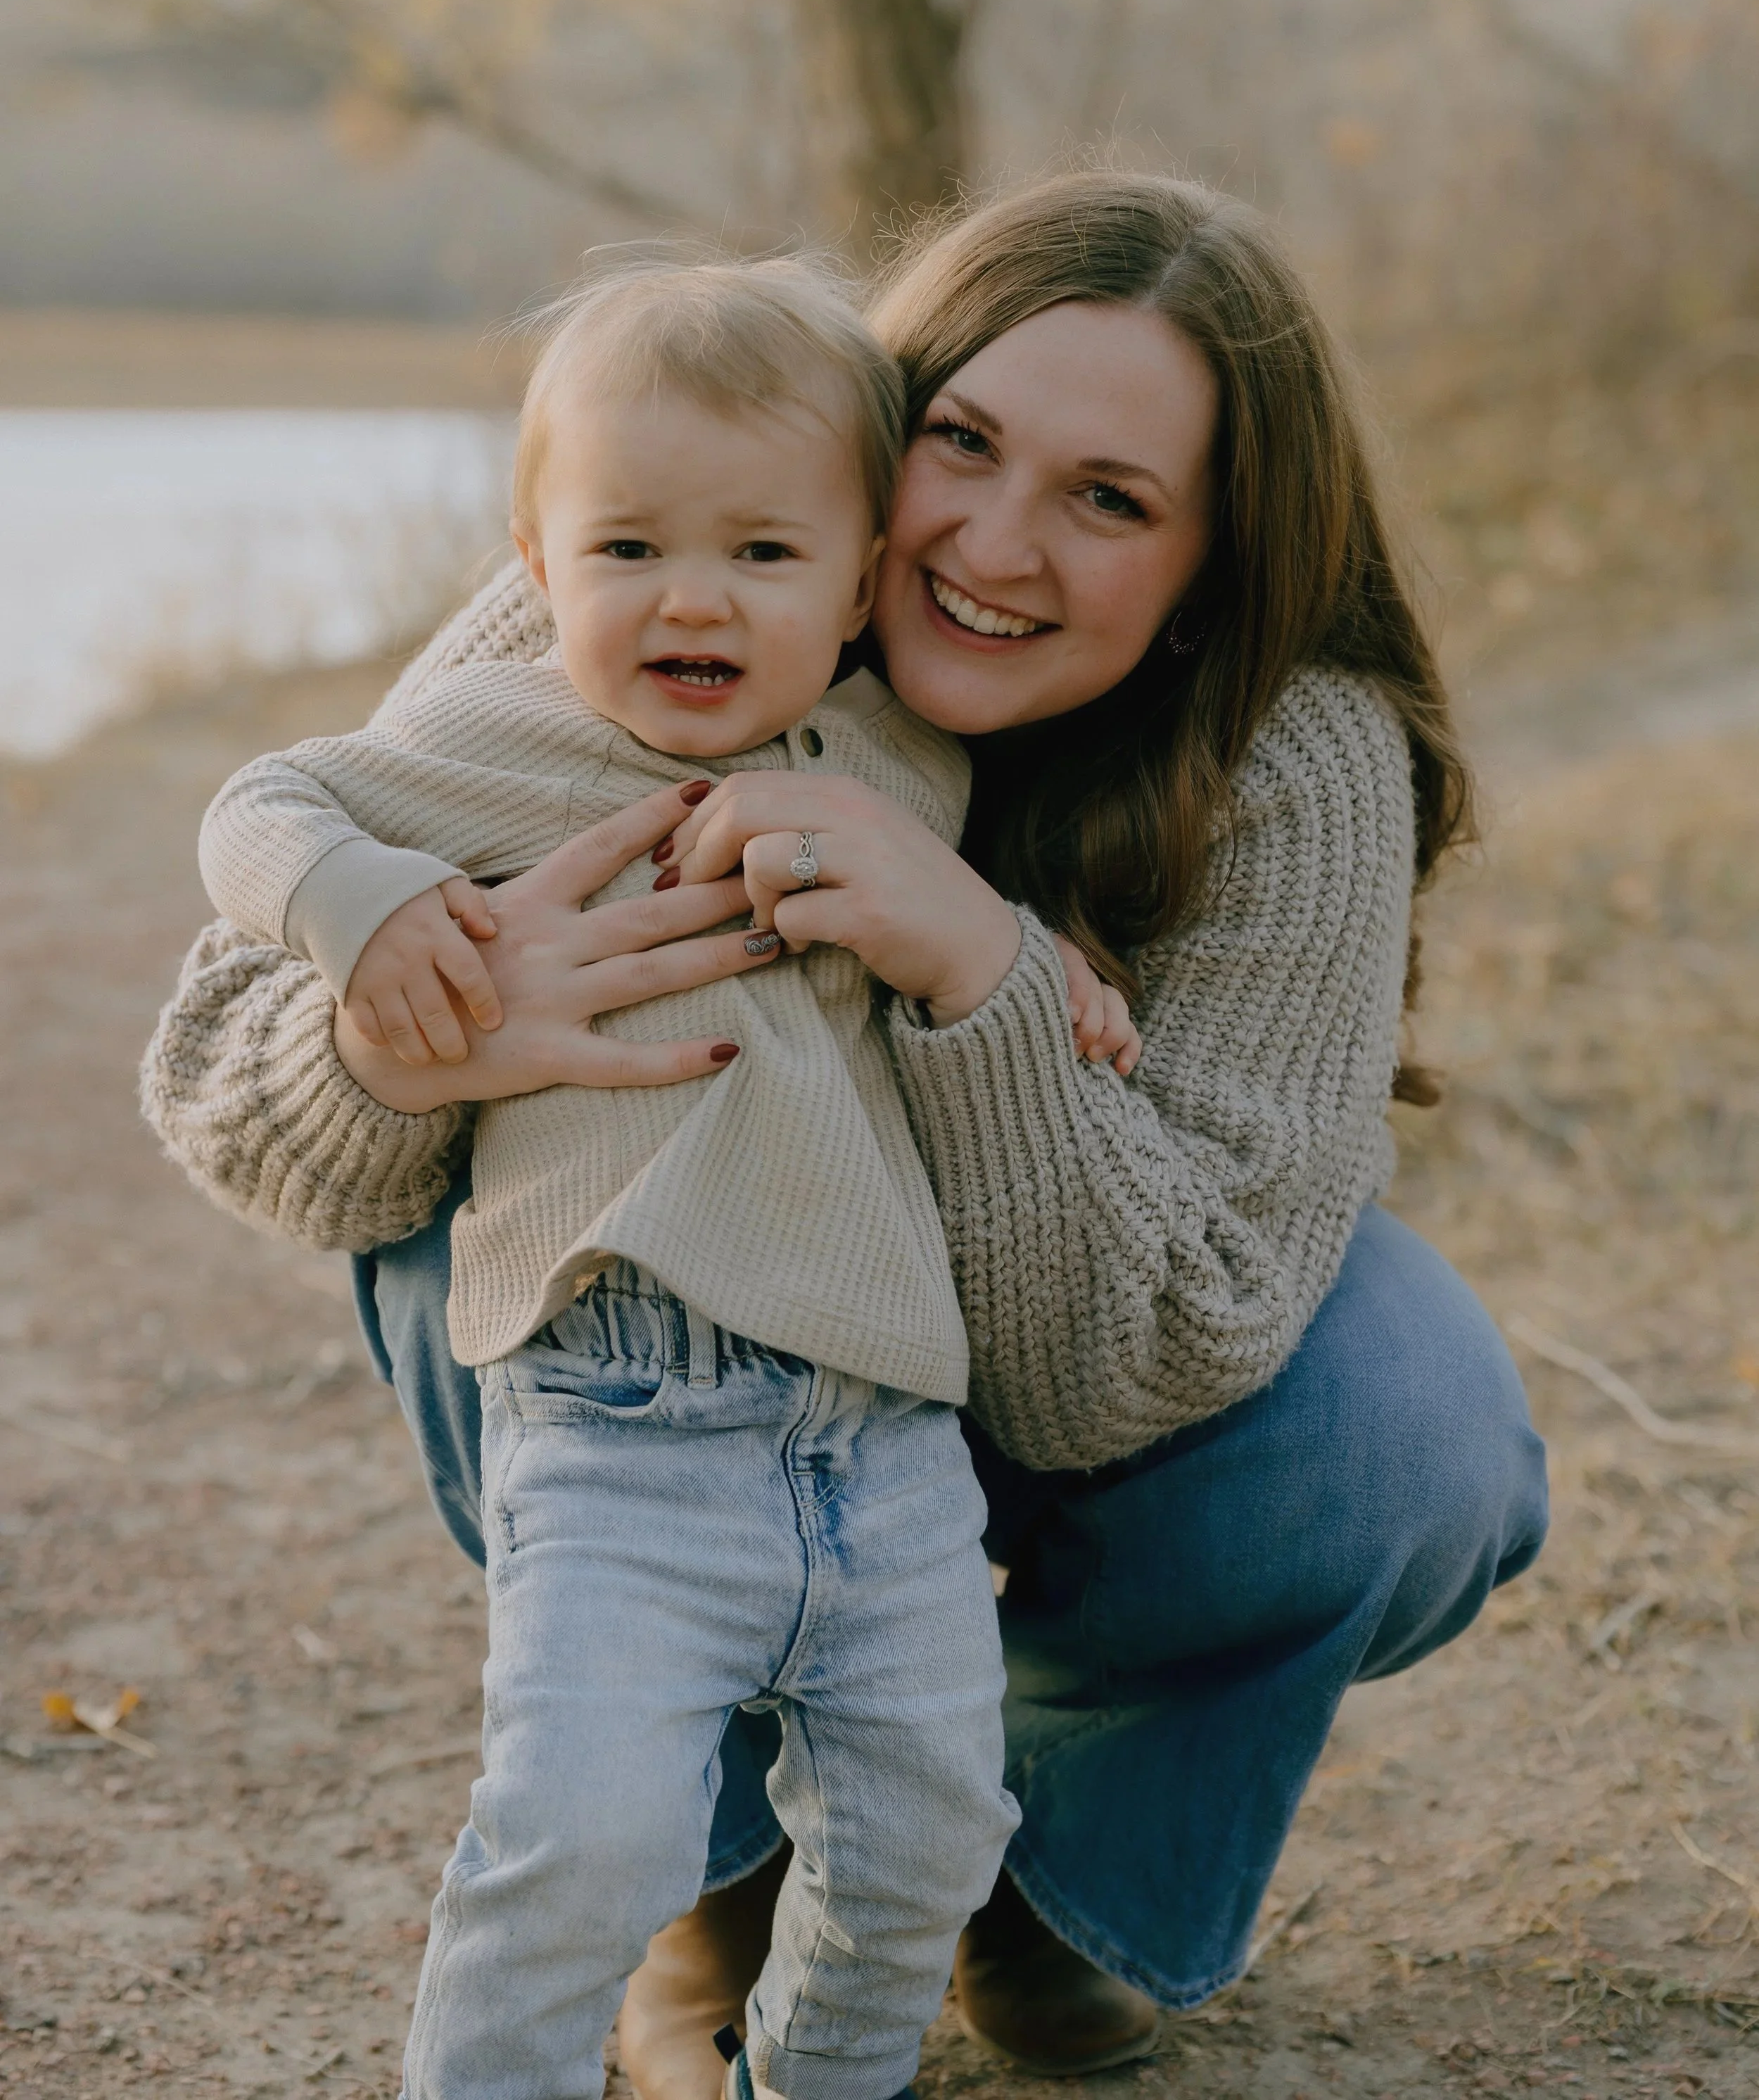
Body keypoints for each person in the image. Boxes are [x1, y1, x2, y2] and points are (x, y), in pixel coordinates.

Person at [144, 171, 1548, 2096]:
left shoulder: (1294, 752)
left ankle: (1044, 1868)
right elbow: (231, 1065)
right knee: (437, 1178)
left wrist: (974, 970)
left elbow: (1136, 1359)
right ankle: (709, 1866)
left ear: (1212, 563)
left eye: (1110, 498)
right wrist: (432, 1023)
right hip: (663, 1350)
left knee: (1414, 1434)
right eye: (958, 442)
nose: (989, 539)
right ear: (878, 421)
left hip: (1041, 1343)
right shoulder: (675, 544)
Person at [188, 258, 1030, 2100]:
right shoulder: (502, 746)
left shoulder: (909, 760)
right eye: (629, 544)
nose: (691, 597)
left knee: (930, 1829)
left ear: (868, 564)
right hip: (619, 1406)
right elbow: (260, 803)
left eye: (761, 550)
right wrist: (366, 902)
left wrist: (1061, 974)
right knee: (573, 1839)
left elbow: (988, 930)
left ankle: (816, 2076)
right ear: (535, 549)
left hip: (881, 1437)